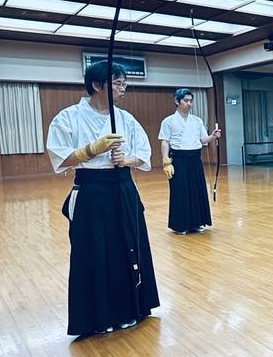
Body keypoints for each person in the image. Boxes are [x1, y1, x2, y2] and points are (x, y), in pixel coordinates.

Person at [46, 61, 159, 336]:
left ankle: (131, 309)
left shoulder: (126, 118)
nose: (123, 89)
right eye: (117, 83)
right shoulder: (68, 117)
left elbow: (144, 154)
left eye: (124, 83)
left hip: (122, 187)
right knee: (94, 250)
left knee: (128, 246)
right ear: (97, 85)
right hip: (91, 191)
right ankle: (98, 316)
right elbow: (60, 157)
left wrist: (126, 159)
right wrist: (90, 149)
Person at [158, 88, 220, 234]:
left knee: (196, 189)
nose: (189, 103)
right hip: (178, 159)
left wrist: (213, 136)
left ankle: (196, 223)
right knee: (180, 191)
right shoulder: (168, 121)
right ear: (176, 101)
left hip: (194, 159)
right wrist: (166, 161)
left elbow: (203, 140)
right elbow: (165, 142)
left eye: (191, 101)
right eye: (186, 100)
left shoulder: (197, 120)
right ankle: (180, 225)